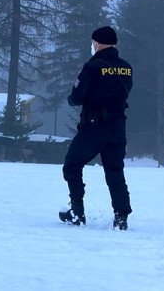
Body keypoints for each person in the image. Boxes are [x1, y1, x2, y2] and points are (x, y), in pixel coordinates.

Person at [59, 26, 133, 230]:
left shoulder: (92, 67)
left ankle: (77, 211)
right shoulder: (126, 67)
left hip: (93, 127)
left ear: (97, 43)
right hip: (118, 127)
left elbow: (77, 97)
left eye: (93, 42)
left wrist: (72, 98)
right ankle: (121, 217)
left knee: (72, 164)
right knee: (115, 171)